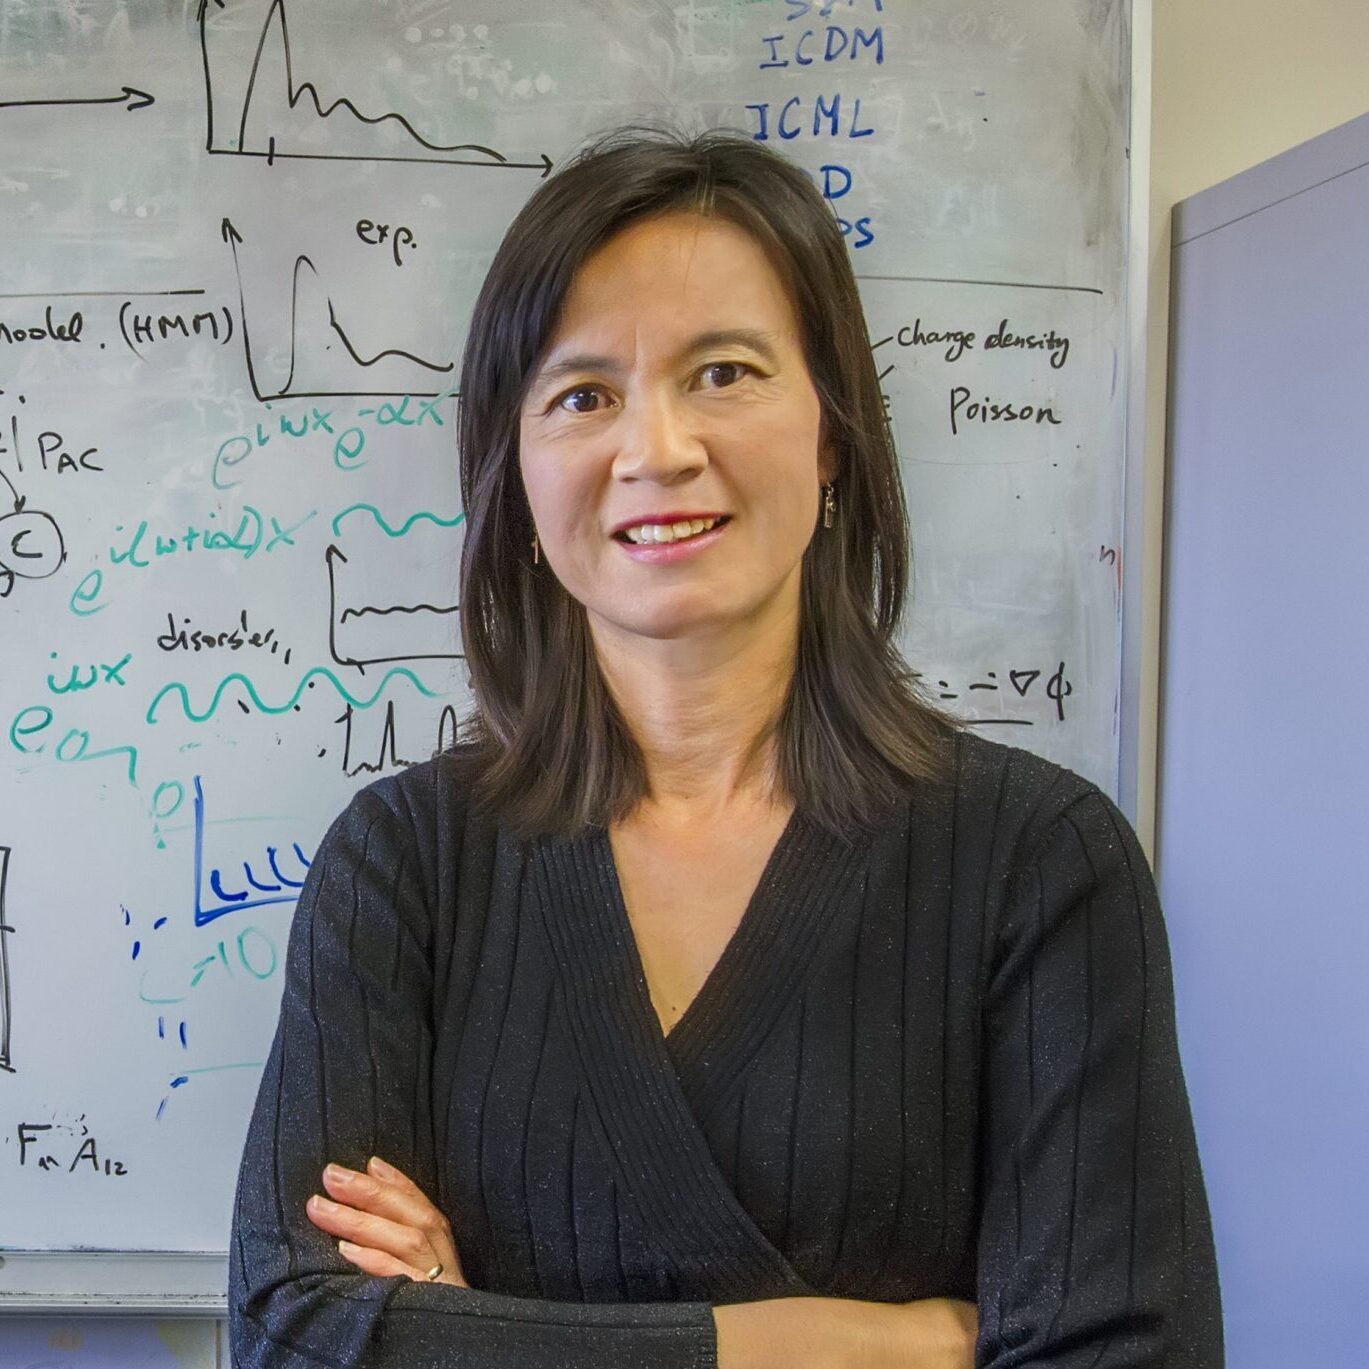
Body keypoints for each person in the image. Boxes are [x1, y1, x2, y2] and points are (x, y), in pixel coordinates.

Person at [228, 126, 1223, 1368]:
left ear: (833, 436)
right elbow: (295, 1336)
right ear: (519, 475)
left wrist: (470, 1332)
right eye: (583, 395)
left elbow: (1122, 1351)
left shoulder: (1040, 862)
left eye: (725, 372)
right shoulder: (404, 864)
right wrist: (868, 1344)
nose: (655, 451)